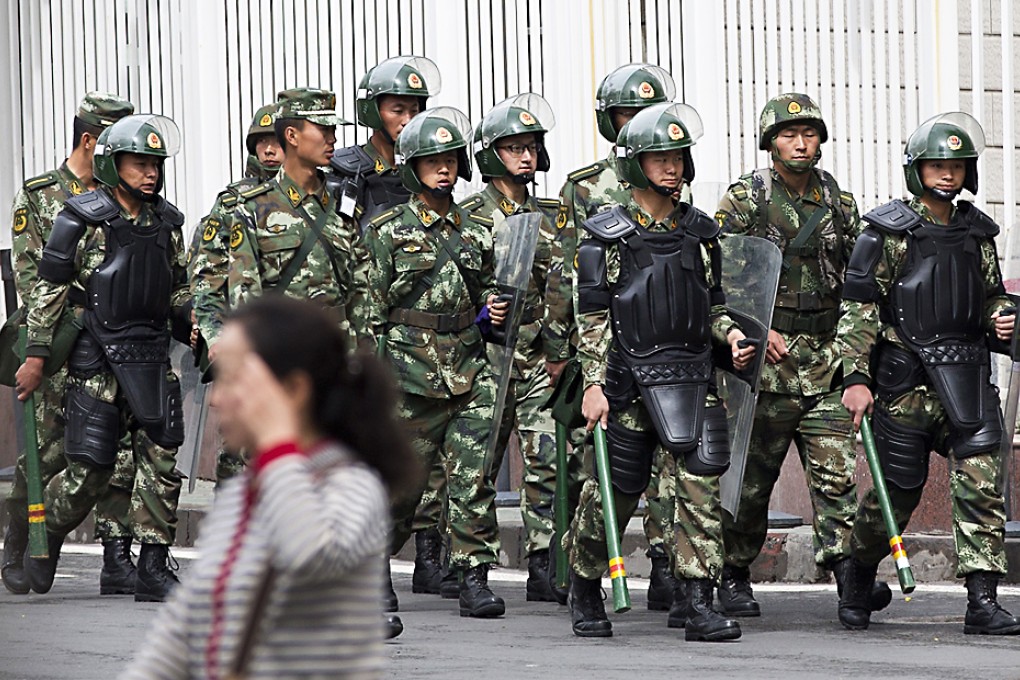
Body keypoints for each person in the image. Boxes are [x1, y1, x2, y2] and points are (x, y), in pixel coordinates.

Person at [121, 295, 419, 679]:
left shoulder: (351, 485)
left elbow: (309, 556)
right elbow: (186, 630)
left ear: (291, 390)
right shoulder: (246, 493)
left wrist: (279, 444)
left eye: (233, 380)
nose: (218, 399)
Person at [566, 102, 754, 641]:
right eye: (658, 158)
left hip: (693, 377)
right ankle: (583, 581)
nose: (671, 167)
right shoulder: (604, 236)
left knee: (700, 484)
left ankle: (699, 601)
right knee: (615, 492)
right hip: (627, 380)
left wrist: (733, 336)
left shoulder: (701, 232)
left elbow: (713, 305)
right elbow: (594, 319)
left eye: (677, 156)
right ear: (632, 163)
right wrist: (595, 386)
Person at [838, 112, 1020, 635]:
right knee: (896, 492)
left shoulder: (977, 233)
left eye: (957, 166)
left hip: (966, 376)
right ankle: (857, 570)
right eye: (937, 165)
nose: (948, 175)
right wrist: (855, 377)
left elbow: (988, 297)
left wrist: (1000, 318)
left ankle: (982, 601)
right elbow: (860, 309)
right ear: (917, 170)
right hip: (907, 382)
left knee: (981, 487)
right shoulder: (887, 232)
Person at [714, 93, 891, 616]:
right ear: (771, 142)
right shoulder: (746, 198)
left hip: (826, 360)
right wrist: (751, 328)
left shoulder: (839, 201)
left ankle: (848, 579)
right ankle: (734, 574)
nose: (800, 142)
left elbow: (862, 279)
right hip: (766, 364)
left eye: (809, 133)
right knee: (750, 483)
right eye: (789, 134)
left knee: (836, 480)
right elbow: (719, 274)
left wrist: (856, 354)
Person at [21, 113, 192, 602]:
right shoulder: (80, 217)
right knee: (90, 471)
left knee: (161, 455)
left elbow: (178, 287)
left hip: (152, 354)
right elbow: (49, 291)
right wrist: (36, 355)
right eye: (140, 164)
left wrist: (195, 321)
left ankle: (154, 566)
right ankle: (45, 532)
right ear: (115, 165)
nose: (151, 174)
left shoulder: (168, 223)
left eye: (156, 165)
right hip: (96, 355)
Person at [544, 62, 686, 611]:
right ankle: (586, 572)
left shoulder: (673, 178)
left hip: (666, 346)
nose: (639, 125)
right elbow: (566, 276)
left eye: (649, 115)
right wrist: (562, 353)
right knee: (613, 470)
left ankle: (668, 568)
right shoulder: (583, 187)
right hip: (607, 346)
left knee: (671, 469)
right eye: (629, 114)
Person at [363, 106, 508, 618]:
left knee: (473, 479)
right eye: (432, 160)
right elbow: (370, 311)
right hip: (407, 375)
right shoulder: (384, 230)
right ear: (411, 167)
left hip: (469, 369)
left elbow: (488, 285)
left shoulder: (476, 228)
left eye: (450, 158)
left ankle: (473, 577)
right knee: (403, 488)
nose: (444, 168)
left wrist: (495, 307)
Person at [3, 93, 140, 597]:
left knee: (111, 446)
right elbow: (31, 277)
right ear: (90, 140)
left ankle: (115, 555)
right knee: (46, 450)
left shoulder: (120, 196)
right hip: (58, 343)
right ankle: (21, 542)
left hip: (111, 343)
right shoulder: (41, 195)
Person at [461, 93, 563, 601]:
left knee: (546, 461)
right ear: (489, 155)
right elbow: (457, 285)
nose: (525, 157)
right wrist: (481, 314)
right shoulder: (469, 216)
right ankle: (471, 565)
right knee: (477, 464)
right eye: (513, 148)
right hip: (486, 358)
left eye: (531, 148)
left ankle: (545, 562)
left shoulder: (551, 215)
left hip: (539, 356)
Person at [224, 88, 370, 349]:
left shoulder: (343, 208)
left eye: (333, 131)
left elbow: (359, 295)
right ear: (292, 135)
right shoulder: (254, 210)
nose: (333, 139)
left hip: (338, 355)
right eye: (323, 130)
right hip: (284, 354)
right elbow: (245, 298)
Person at [189, 102, 282, 484]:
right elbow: (204, 269)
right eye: (263, 143)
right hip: (244, 339)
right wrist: (209, 328)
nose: (271, 150)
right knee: (241, 451)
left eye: (277, 141)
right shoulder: (233, 203)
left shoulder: (319, 198)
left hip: (294, 341)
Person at [330, 55, 441, 228]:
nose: (408, 120)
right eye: (398, 111)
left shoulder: (428, 171)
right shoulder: (345, 172)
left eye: (414, 111)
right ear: (373, 113)